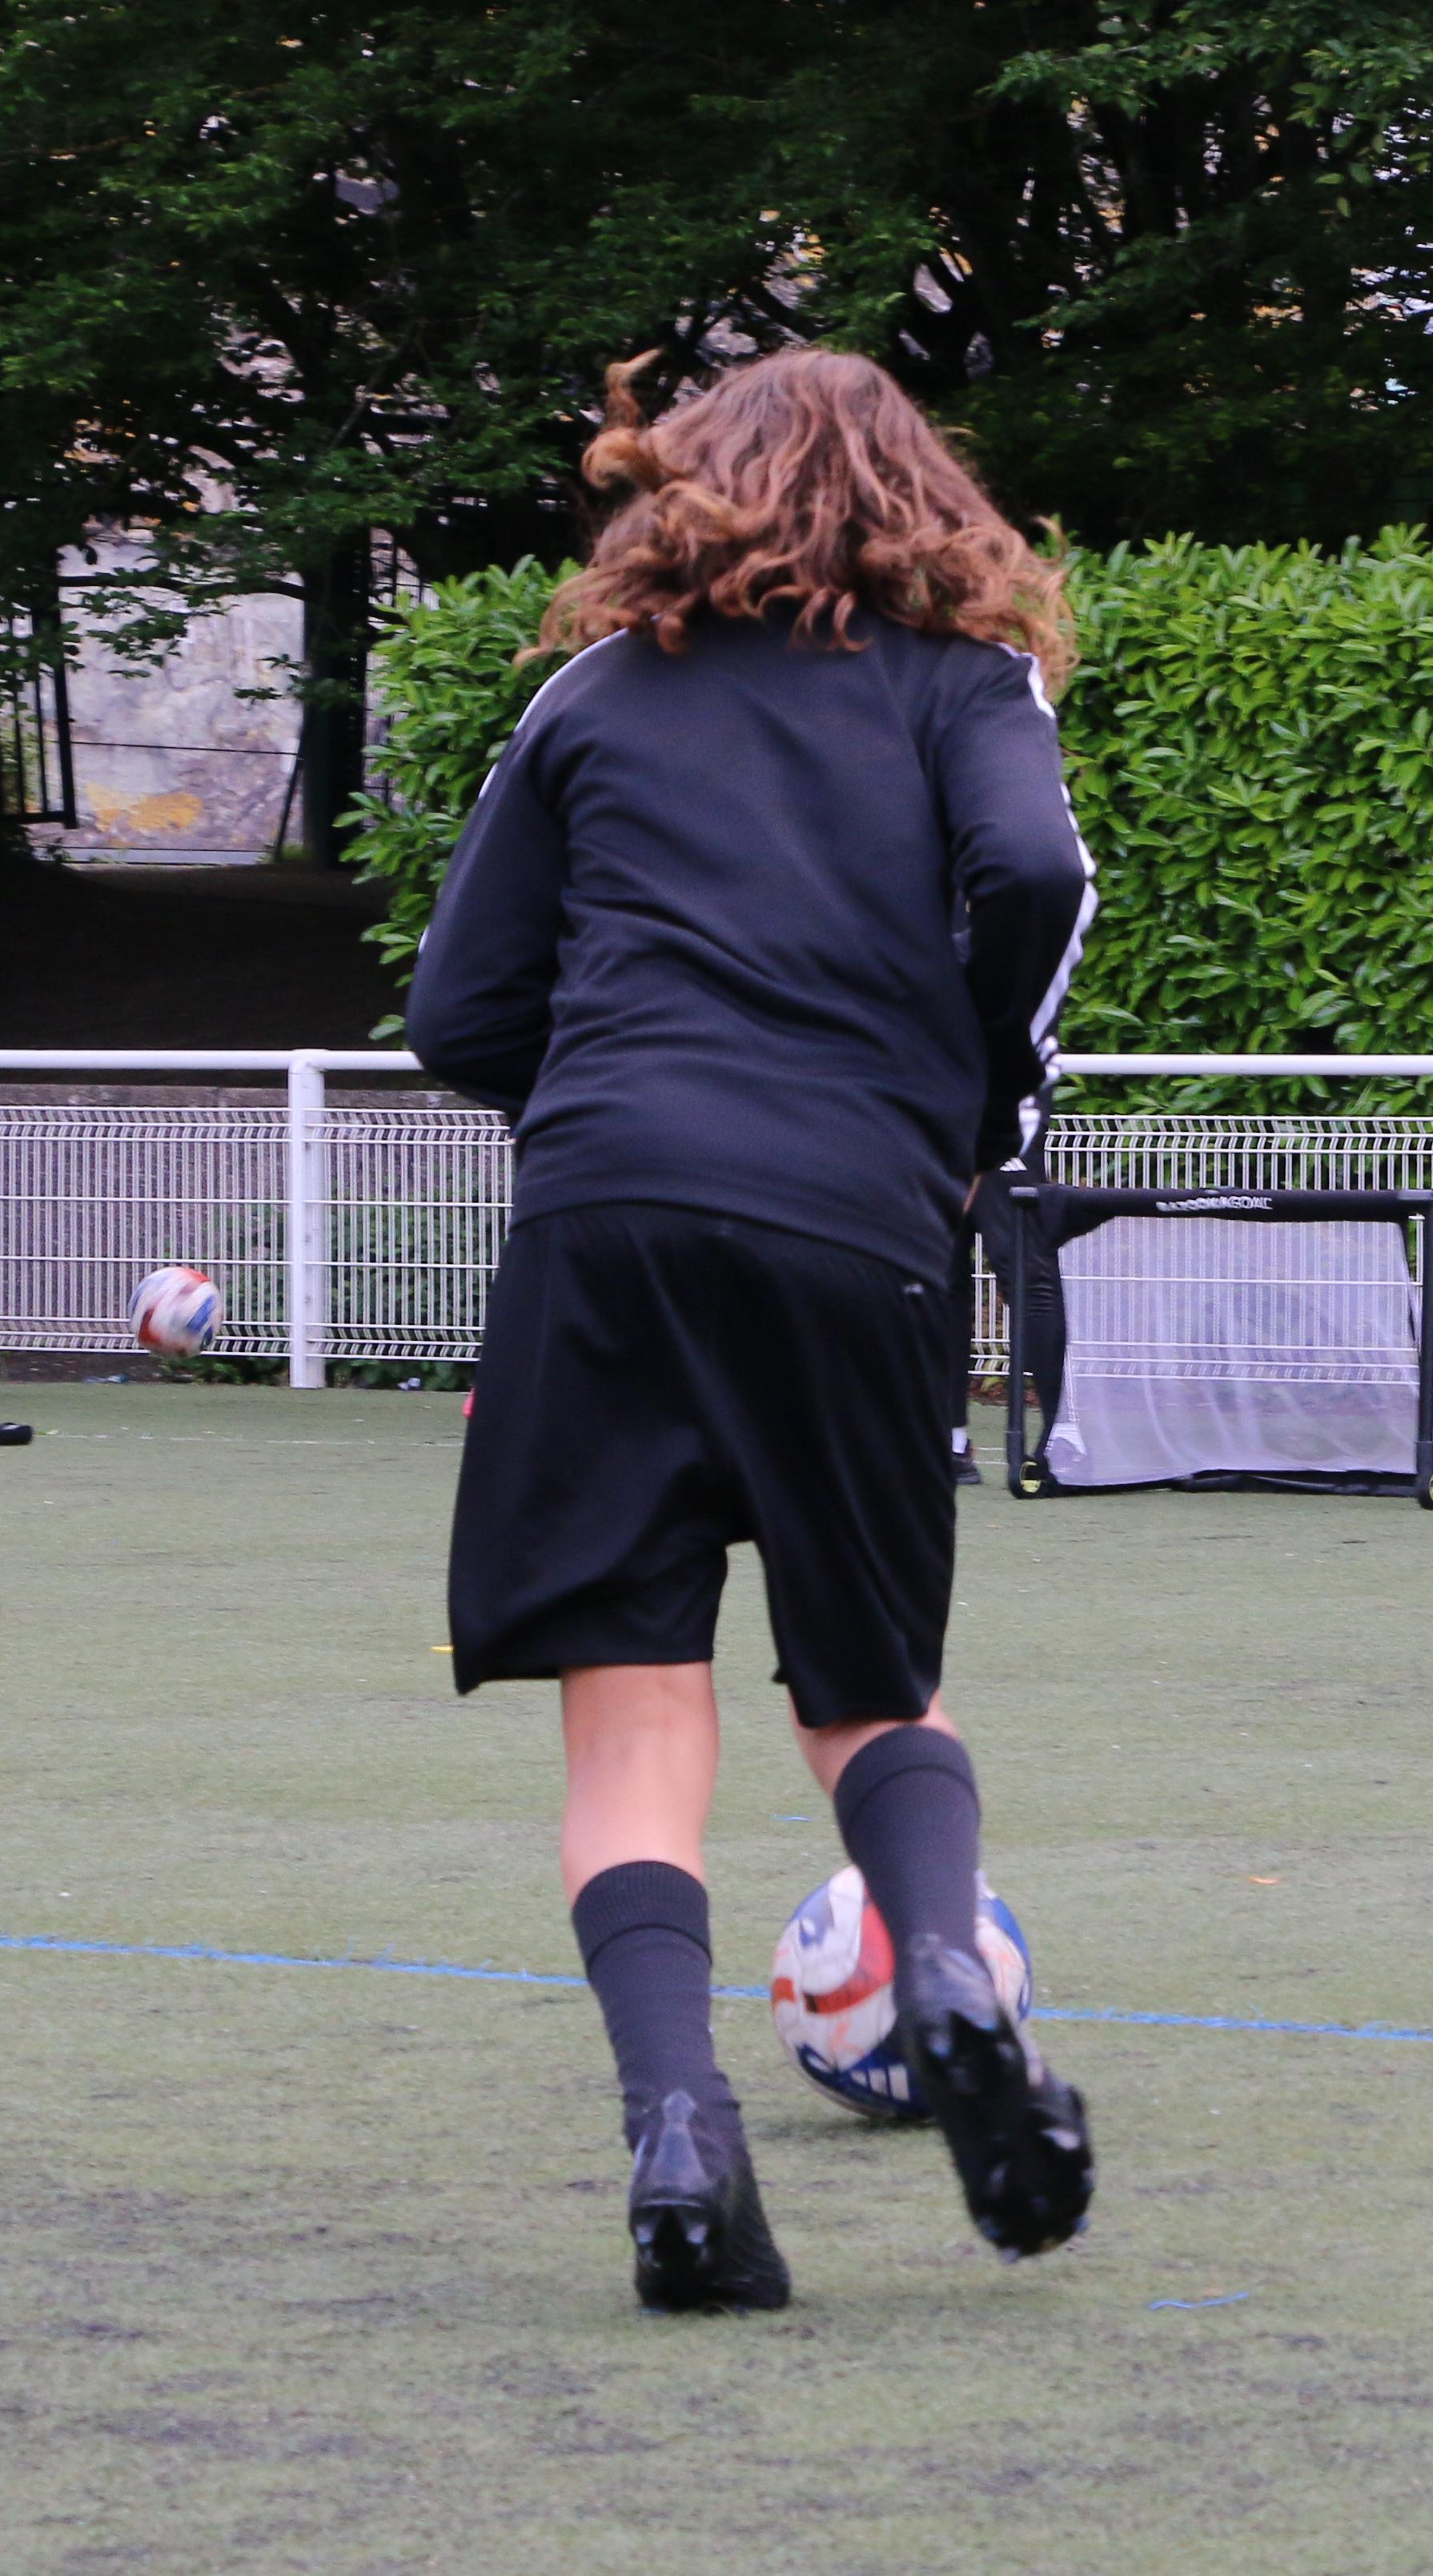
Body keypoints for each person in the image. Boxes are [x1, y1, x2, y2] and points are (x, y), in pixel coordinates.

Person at [408, 347, 1101, 2309]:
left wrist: (624, 1098)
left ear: (679, 494)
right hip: (856, 1219)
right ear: (920, 499)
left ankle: (675, 2134)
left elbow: (457, 1019)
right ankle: (948, 1974)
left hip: (604, 1215)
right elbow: (1036, 877)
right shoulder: (972, 683)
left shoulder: (589, 697)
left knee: (631, 1718)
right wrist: (968, 1113)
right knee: (867, 1688)